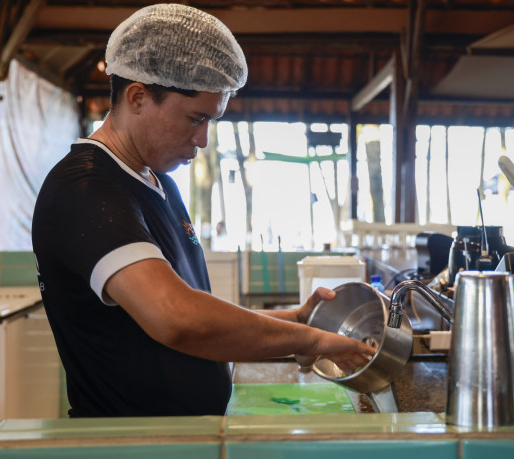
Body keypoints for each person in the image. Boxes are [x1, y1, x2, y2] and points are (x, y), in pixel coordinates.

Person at [31, 3, 374, 418]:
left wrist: (296, 322)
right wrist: (307, 341)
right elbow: (177, 318)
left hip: (177, 439)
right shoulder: (85, 190)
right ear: (138, 97)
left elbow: (195, 308)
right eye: (195, 118)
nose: (203, 140)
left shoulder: (158, 184)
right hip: (130, 443)